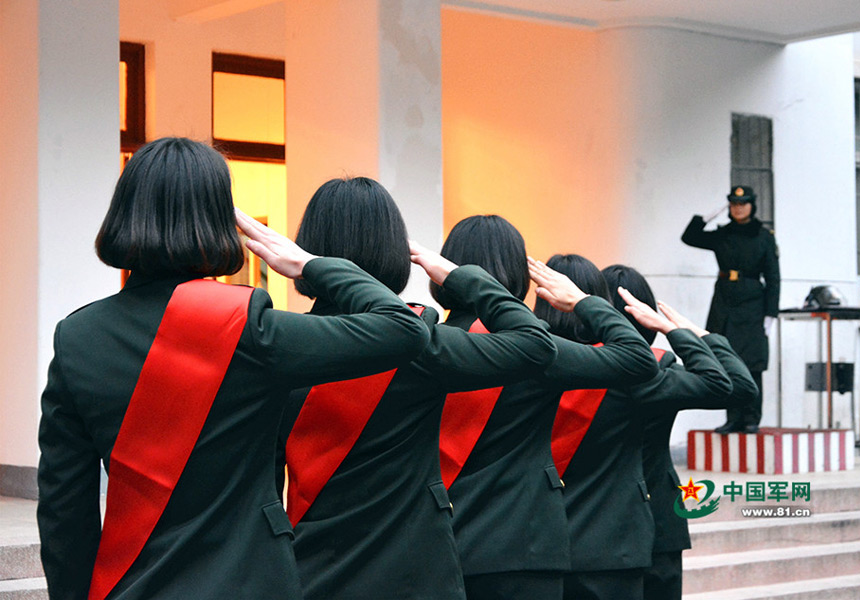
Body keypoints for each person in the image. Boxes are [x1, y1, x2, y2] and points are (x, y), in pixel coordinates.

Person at [36, 138, 430, 600]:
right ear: (219, 220)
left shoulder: (77, 336)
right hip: (248, 582)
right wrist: (310, 264)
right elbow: (403, 328)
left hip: (133, 582)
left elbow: (65, 508)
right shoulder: (249, 325)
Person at [275, 179, 558, 600]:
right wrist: (461, 277)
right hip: (416, 572)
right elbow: (535, 345)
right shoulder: (424, 344)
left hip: (309, 565)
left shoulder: (276, 342)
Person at [435, 228, 660, 600]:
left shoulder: (418, 341)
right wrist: (583, 302)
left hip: (437, 548)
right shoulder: (538, 351)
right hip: (523, 548)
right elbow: (637, 359)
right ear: (516, 275)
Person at [600, 264, 758, 600]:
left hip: (601, 520)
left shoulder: (582, 366)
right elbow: (742, 387)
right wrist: (690, 333)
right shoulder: (660, 371)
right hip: (658, 514)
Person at [681, 185, 780, 434]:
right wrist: (706, 217)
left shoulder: (763, 236)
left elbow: (773, 277)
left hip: (753, 304)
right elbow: (689, 237)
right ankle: (733, 417)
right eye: (734, 204)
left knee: (752, 364)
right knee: (726, 360)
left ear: (752, 206)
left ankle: (751, 418)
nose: (738, 208)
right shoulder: (723, 234)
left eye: (743, 204)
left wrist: (771, 313)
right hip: (724, 303)